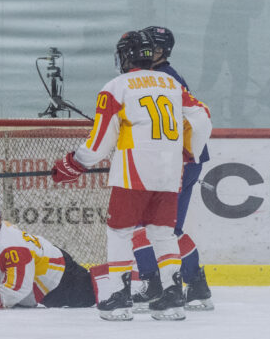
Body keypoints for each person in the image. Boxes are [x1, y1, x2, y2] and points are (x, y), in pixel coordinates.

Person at [50, 30, 211, 321]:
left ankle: (118, 296)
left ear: (124, 56)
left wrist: (73, 164)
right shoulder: (172, 83)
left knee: (120, 231)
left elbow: (99, 142)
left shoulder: (116, 87)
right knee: (162, 233)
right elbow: (202, 116)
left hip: (133, 174)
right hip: (170, 172)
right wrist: (191, 151)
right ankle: (173, 297)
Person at [129, 25, 214, 311]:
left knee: (147, 224)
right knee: (166, 227)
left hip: (175, 163)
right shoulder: (166, 76)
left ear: (162, 51)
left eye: (149, 48)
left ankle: (154, 283)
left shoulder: (160, 79)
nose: (141, 53)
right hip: (186, 161)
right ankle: (196, 286)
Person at [0, 198, 95, 309]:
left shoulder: (12, 246)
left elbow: (15, 291)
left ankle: (114, 279)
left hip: (59, 278)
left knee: (93, 295)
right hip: (37, 277)